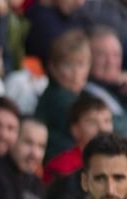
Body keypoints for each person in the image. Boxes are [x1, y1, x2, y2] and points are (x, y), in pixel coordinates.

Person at [36, 29, 92, 163]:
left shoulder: (83, 95)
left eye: (81, 64)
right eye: (68, 65)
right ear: (53, 68)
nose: (76, 72)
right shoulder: (58, 98)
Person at [42, 94, 114, 185]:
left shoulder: (121, 163)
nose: (102, 128)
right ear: (75, 130)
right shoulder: (62, 167)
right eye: (92, 122)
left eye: (107, 121)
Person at [9, 117, 48, 199]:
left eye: (41, 146)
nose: (34, 153)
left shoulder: (37, 183)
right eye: (28, 143)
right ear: (13, 139)